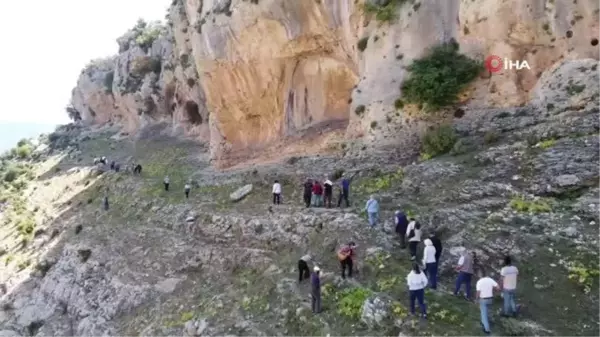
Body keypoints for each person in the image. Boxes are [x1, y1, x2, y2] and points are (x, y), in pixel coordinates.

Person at [476, 268, 500, 334]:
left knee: (484, 314)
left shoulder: (479, 282)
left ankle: (487, 330)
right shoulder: (490, 280)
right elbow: (498, 287)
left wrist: (476, 299)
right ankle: (489, 322)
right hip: (490, 299)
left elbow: (478, 292)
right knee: (489, 312)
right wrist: (494, 291)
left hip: (483, 299)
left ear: (480, 274)